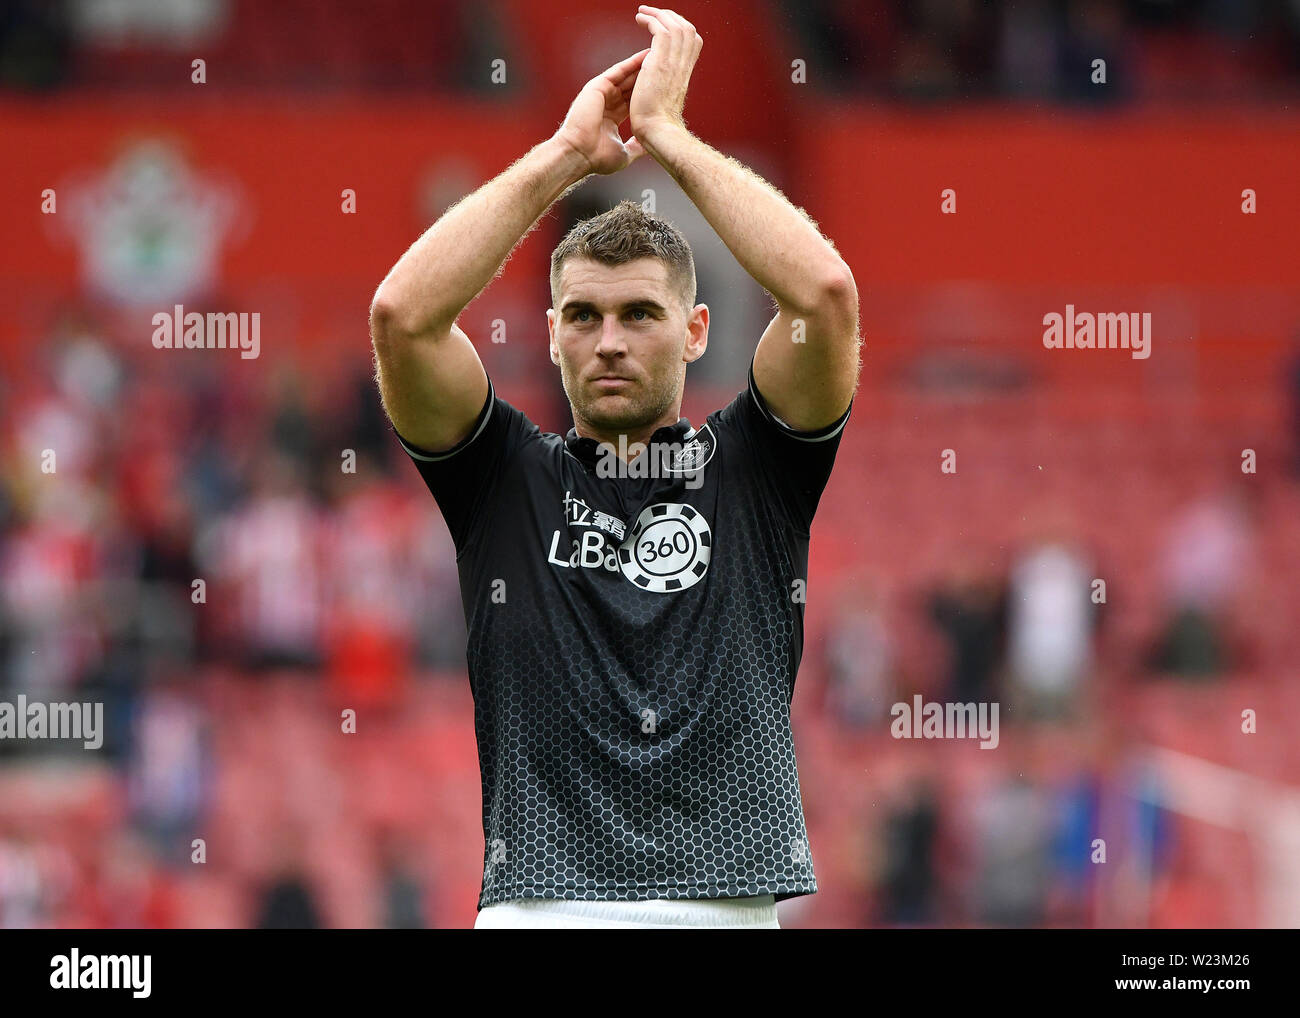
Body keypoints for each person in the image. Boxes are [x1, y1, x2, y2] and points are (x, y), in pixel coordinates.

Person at [369, 6, 860, 929]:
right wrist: (561, 156)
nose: (610, 341)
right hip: (542, 912)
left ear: (697, 330)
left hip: (726, 912)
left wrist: (670, 139)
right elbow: (402, 318)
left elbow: (826, 296)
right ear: (551, 337)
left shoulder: (756, 470)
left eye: (641, 314)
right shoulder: (504, 481)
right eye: (584, 318)